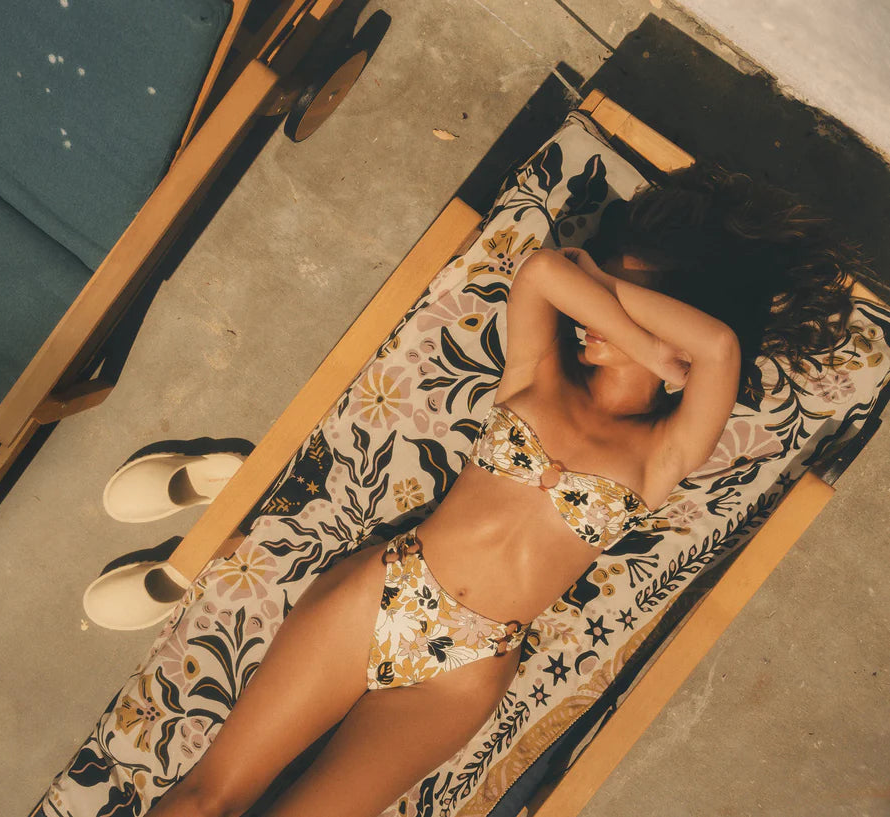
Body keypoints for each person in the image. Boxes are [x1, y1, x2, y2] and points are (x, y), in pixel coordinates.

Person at [144, 164, 858, 817]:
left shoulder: (661, 452)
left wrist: (628, 312)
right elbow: (546, 270)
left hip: (462, 674)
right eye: (599, 290)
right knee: (209, 795)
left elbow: (719, 349)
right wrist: (640, 338)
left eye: (620, 295)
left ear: (675, 309)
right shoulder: (537, 378)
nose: (592, 311)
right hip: (384, 591)